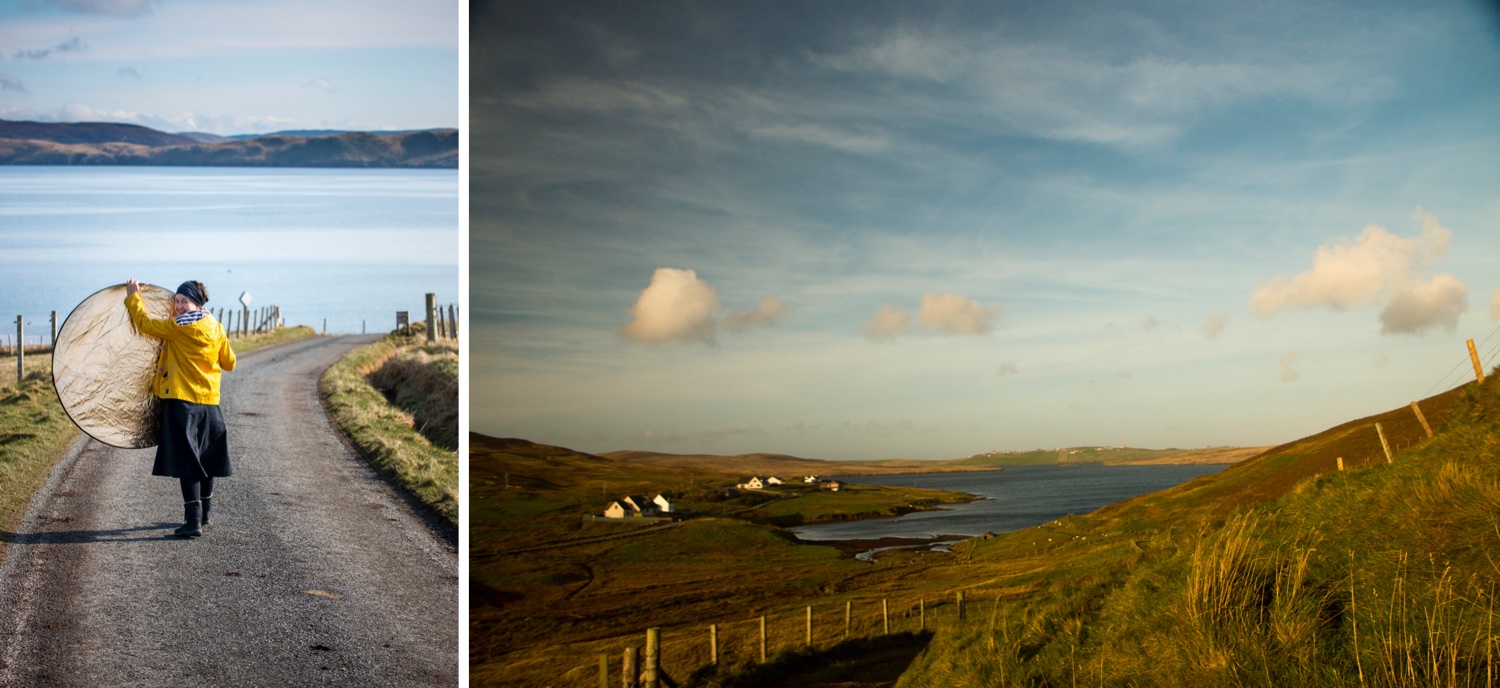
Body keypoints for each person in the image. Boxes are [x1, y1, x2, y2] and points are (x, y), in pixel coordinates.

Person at [124, 279, 237, 538]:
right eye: (176, 301)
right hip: (209, 404)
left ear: (197, 302)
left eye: (184, 301)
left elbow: (145, 324)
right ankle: (205, 514)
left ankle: (192, 522)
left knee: (189, 463)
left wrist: (133, 297)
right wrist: (220, 337)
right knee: (206, 459)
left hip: (182, 403)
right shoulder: (215, 326)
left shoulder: (179, 327)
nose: (178, 307)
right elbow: (229, 363)